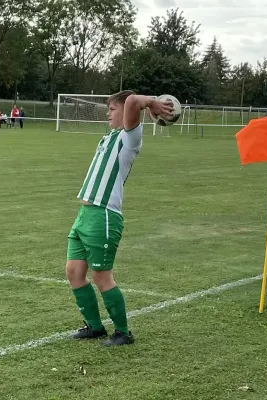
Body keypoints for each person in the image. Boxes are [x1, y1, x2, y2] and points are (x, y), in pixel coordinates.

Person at [66, 90, 173, 346]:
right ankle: (94, 326)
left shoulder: (130, 138)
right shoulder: (111, 136)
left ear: (125, 111)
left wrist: (152, 104)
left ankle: (123, 332)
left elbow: (134, 101)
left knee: (101, 276)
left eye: (113, 108)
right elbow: (132, 105)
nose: (107, 113)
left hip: (103, 214)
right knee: (73, 272)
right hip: (85, 215)